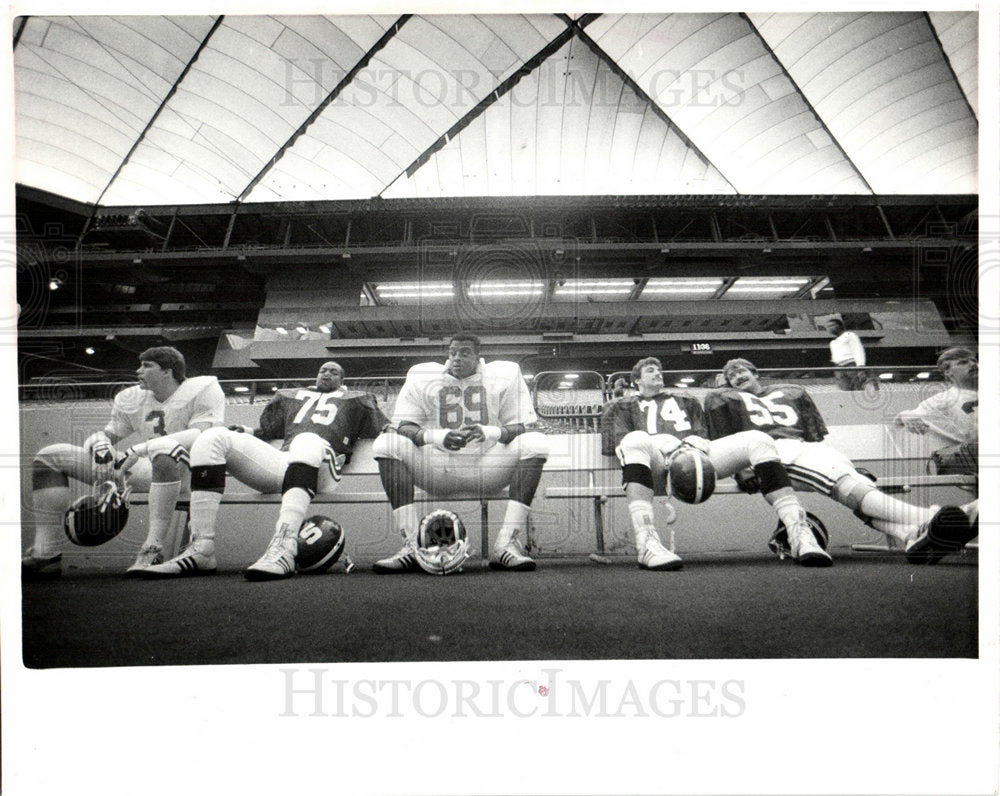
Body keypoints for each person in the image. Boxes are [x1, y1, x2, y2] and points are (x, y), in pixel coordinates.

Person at [708, 358, 977, 564]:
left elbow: (813, 438)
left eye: (741, 370)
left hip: (805, 449)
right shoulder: (723, 398)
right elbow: (730, 444)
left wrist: (835, 459)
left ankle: (910, 535)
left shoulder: (792, 391)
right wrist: (741, 471)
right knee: (846, 484)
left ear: (756, 373)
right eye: (730, 375)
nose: (736, 376)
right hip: (771, 452)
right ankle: (930, 518)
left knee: (855, 483)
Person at [143, 361, 388, 580]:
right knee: (212, 437)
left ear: (342, 380)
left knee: (307, 440)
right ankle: (201, 548)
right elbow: (268, 431)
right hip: (286, 462)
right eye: (323, 370)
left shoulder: (358, 399)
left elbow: (380, 427)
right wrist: (249, 432)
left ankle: (284, 546)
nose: (326, 374)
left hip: (323, 467)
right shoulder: (289, 396)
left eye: (334, 372)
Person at [608, 357, 832, 570]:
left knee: (759, 439)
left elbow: (704, 436)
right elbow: (621, 445)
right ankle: (647, 543)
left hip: (696, 457)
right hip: (656, 463)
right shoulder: (621, 405)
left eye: (659, 370)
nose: (658, 373)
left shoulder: (688, 401)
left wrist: (691, 447)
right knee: (634, 439)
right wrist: (661, 443)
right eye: (650, 370)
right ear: (636, 380)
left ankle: (801, 535)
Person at [23, 346, 225, 579]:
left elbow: (200, 435)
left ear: (167, 372)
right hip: (145, 467)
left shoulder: (203, 389)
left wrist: (139, 449)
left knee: (163, 451)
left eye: (147, 366)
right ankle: (46, 554)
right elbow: (106, 435)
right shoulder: (133, 398)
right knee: (50, 456)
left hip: (185, 472)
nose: (138, 371)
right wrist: (101, 449)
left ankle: (153, 549)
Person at [371, 333, 549, 572]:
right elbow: (404, 425)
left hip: (488, 468)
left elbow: (524, 426)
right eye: (453, 352)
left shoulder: (504, 374)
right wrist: (436, 437)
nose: (457, 358)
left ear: (478, 356)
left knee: (536, 442)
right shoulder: (423, 376)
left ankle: (506, 545)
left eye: (464, 352)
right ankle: (412, 546)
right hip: (438, 468)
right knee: (386, 444)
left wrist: (492, 432)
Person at [894, 347, 978, 476]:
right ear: (948, 372)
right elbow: (902, 419)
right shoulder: (944, 399)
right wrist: (906, 415)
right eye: (963, 362)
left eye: (974, 360)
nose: (973, 364)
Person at [826, 317, 871, 391]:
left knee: (857, 390)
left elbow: (858, 350)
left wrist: (861, 367)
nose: (829, 328)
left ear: (840, 326)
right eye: (828, 327)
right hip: (839, 368)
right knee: (845, 390)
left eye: (832, 325)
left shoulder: (850, 335)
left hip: (851, 366)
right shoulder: (833, 342)